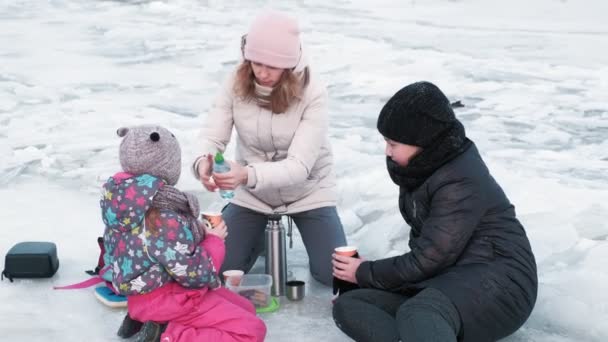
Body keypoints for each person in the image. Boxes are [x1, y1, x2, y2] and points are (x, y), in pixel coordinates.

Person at [331, 82, 538, 342]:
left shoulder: (460, 179)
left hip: (500, 284)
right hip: (449, 279)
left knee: (419, 312)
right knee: (352, 304)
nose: (387, 151)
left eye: (393, 143)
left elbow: (429, 258)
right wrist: (365, 281)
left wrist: (363, 272)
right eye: (386, 141)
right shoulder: (420, 168)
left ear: (423, 141)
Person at [193, 11, 347, 286]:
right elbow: (212, 136)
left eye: (272, 66)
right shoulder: (235, 81)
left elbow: (299, 167)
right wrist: (202, 163)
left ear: (289, 65)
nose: (262, 73)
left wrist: (246, 175)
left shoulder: (314, 92)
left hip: (308, 191)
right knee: (220, 268)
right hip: (254, 195)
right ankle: (259, 235)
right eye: (256, 63)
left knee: (332, 275)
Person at [101, 125, 266, 342]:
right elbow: (195, 274)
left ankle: (147, 322)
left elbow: (150, 250)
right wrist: (214, 241)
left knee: (246, 308)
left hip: (144, 298)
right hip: (172, 299)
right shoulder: (163, 216)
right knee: (251, 331)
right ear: (166, 166)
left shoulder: (123, 203)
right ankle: (169, 334)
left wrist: (197, 233)